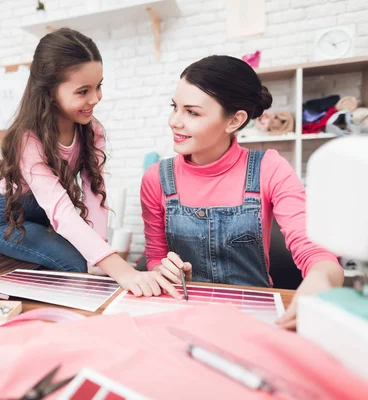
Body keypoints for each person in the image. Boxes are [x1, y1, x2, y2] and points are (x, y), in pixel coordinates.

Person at [140, 55, 343, 329]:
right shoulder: (156, 179)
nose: (174, 122)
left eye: (192, 112)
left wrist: (320, 278)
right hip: (184, 317)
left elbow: (316, 254)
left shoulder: (270, 169)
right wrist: (163, 270)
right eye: (175, 107)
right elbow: (154, 257)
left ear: (234, 121)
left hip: (253, 320)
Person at [0, 28, 179, 298]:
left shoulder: (91, 130)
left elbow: (94, 195)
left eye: (99, 86)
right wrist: (121, 270)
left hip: (45, 219)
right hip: (9, 221)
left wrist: (103, 253)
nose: (95, 98)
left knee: (89, 262)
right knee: (75, 264)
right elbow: (61, 210)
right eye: (83, 91)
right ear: (50, 92)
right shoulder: (29, 140)